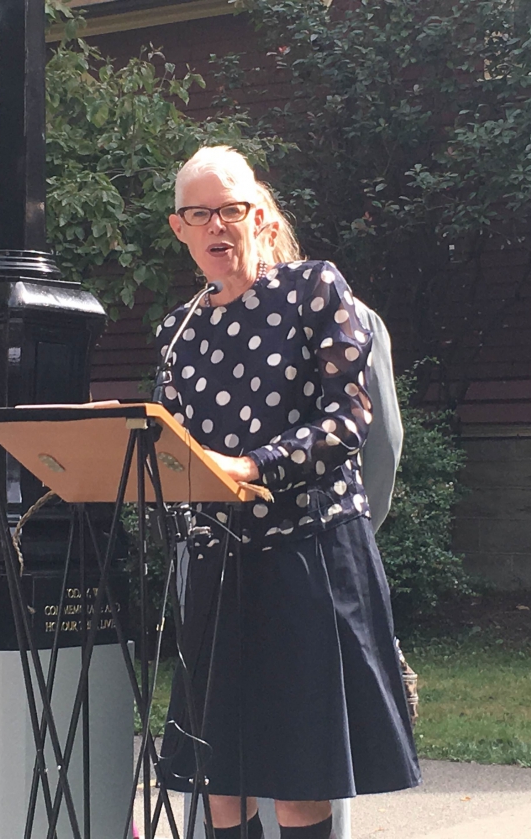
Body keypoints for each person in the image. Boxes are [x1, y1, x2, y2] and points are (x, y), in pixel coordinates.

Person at [156, 146, 420, 839]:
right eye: (198, 213)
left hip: (309, 556)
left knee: (301, 780)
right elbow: (174, 449)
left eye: (230, 208)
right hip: (221, 569)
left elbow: (351, 417)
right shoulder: (177, 332)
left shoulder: (313, 290)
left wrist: (251, 466)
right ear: (179, 228)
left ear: (260, 215)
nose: (217, 224)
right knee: (221, 783)